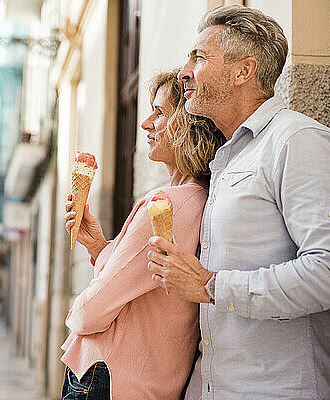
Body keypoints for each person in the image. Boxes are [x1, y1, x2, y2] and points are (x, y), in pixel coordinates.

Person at [147, 5, 330, 400]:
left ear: (243, 71)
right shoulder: (229, 157)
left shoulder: (298, 142)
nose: (184, 72)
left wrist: (211, 286)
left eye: (198, 57)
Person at [60, 70, 226, 400]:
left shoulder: (165, 203)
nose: (146, 123)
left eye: (160, 112)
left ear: (189, 122)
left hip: (108, 377)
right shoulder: (199, 200)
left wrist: (75, 312)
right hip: (150, 383)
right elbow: (143, 281)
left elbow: (91, 313)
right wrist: (98, 246)